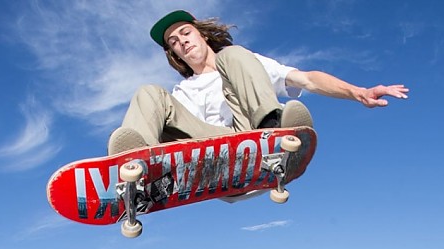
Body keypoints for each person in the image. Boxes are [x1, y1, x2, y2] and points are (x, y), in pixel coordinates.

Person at [107, 9, 410, 155]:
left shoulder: (244, 62)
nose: (181, 42)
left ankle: (273, 132)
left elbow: (308, 79)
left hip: (248, 136)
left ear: (200, 33)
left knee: (232, 56)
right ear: (173, 53)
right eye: (173, 42)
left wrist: (356, 91)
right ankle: (134, 167)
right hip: (208, 148)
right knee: (149, 93)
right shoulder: (181, 92)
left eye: (185, 33)